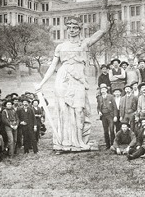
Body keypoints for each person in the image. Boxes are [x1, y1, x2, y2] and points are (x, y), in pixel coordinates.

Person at [35, 9, 110, 152]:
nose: (72, 30)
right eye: (69, 27)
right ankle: (66, 142)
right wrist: (42, 83)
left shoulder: (85, 43)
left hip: (79, 79)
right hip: (63, 79)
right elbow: (52, 66)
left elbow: (102, 30)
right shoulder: (61, 46)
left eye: (75, 27)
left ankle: (79, 140)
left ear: (80, 28)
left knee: (80, 110)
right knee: (64, 111)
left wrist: (104, 9)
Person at [97, 84, 118, 149]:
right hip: (103, 116)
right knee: (105, 131)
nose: (102, 91)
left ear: (106, 90)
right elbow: (98, 107)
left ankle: (113, 144)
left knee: (111, 130)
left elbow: (115, 107)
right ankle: (107, 145)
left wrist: (115, 116)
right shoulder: (99, 97)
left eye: (104, 89)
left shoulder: (111, 97)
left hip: (110, 115)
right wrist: (99, 112)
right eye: (101, 90)